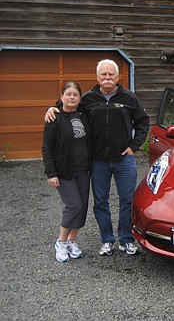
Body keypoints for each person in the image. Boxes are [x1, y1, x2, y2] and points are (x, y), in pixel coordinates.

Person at [46, 59, 149, 256]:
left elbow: (143, 123)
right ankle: (107, 240)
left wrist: (134, 147)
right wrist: (52, 107)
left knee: (127, 200)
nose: (107, 78)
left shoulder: (129, 98)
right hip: (98, 161)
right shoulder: (88, 99)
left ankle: (126, 240)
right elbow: (69, 103)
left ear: (118, 77)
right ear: (97, 77)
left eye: (111, 74)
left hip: (124, 161)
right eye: (104, 74)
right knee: (100, 201)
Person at [42, 81, 91, 263]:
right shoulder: (54, 118)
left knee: (83, 207)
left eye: (75, 95)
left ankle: (72, 241)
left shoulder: (83, 113)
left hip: (83, 170)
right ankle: (61, 242)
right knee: (73, 206)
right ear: (62, 96)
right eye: (68, 94)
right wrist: (51, 173)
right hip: (64, 172)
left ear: (79, 97)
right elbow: (46, 148)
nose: (72, 97)